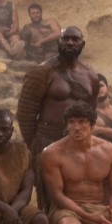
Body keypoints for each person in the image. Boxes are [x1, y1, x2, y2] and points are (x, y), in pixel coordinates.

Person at [16, 25, 98, 209]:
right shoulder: (42, 71)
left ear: (82, 44)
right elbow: (25, 114)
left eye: (75, 39)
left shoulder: (91, 76)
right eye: (65, 39)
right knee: (50, 198)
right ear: (58, 42)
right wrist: (36, 144)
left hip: (78, 143)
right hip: (47, 140)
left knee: (77, 194)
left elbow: (91, 113)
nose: (70, 43)